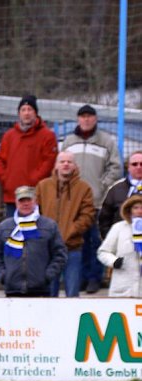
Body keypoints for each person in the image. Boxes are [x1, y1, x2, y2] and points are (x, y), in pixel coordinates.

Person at [61, 105, 123, 294]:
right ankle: (78, 278)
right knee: (76, 241)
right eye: (83, 116)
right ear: (78, 119)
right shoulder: (69, 141)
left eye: (90, 116)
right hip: (73, 202)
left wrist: (103, 185)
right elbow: (62, 165)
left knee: (96, 242)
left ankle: (94, 278)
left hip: (98, 201)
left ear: (95, 119)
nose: (86, 120)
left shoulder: (106, 141)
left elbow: (116, 167)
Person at [35, 151, 95, 297]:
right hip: (48, 250)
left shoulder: (84, 188)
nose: (66, 164)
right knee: (48, 294)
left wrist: (69, 232)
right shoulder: (43, 186)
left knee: (73, 293)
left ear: (75, 166)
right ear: (56, 165)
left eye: (69, 161)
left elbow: (87, 216)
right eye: (62, 161)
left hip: (73, 248)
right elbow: (36, 214)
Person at [0, 186, 68, 297]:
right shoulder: (4, 227)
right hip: (12, 291)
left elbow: (60, 255)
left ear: (35, 201)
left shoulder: (49, 226)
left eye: (28, 200)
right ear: (16, 202)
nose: (25, 203)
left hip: (42, 290)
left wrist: (47, 276)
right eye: (22, 200)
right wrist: (4, 276)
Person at [0, 95, 58, 217]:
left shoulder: (47, 135)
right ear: (19, 113)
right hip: (12, 196)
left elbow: (49, 162)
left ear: (36, 113)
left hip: (36, 196)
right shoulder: (9, 136)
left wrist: (33, 181)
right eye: (23, 110)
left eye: (30, 110)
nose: (26, 113)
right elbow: (0, 160)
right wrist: (6, 180)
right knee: (13, 233)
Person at [97, 194, 142, 298]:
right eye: (136, 208)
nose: (139, 211)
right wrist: (114, 261)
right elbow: (103, 252)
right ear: (129, 210)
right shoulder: (119, 228)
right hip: (123, 287)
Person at [99, 150, 142, 239]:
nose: (138, 167)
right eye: (134, 164)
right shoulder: (115, 189)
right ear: (128, 167)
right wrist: (112, 241)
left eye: (141, 164)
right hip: (122, 245)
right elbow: (104, 220)